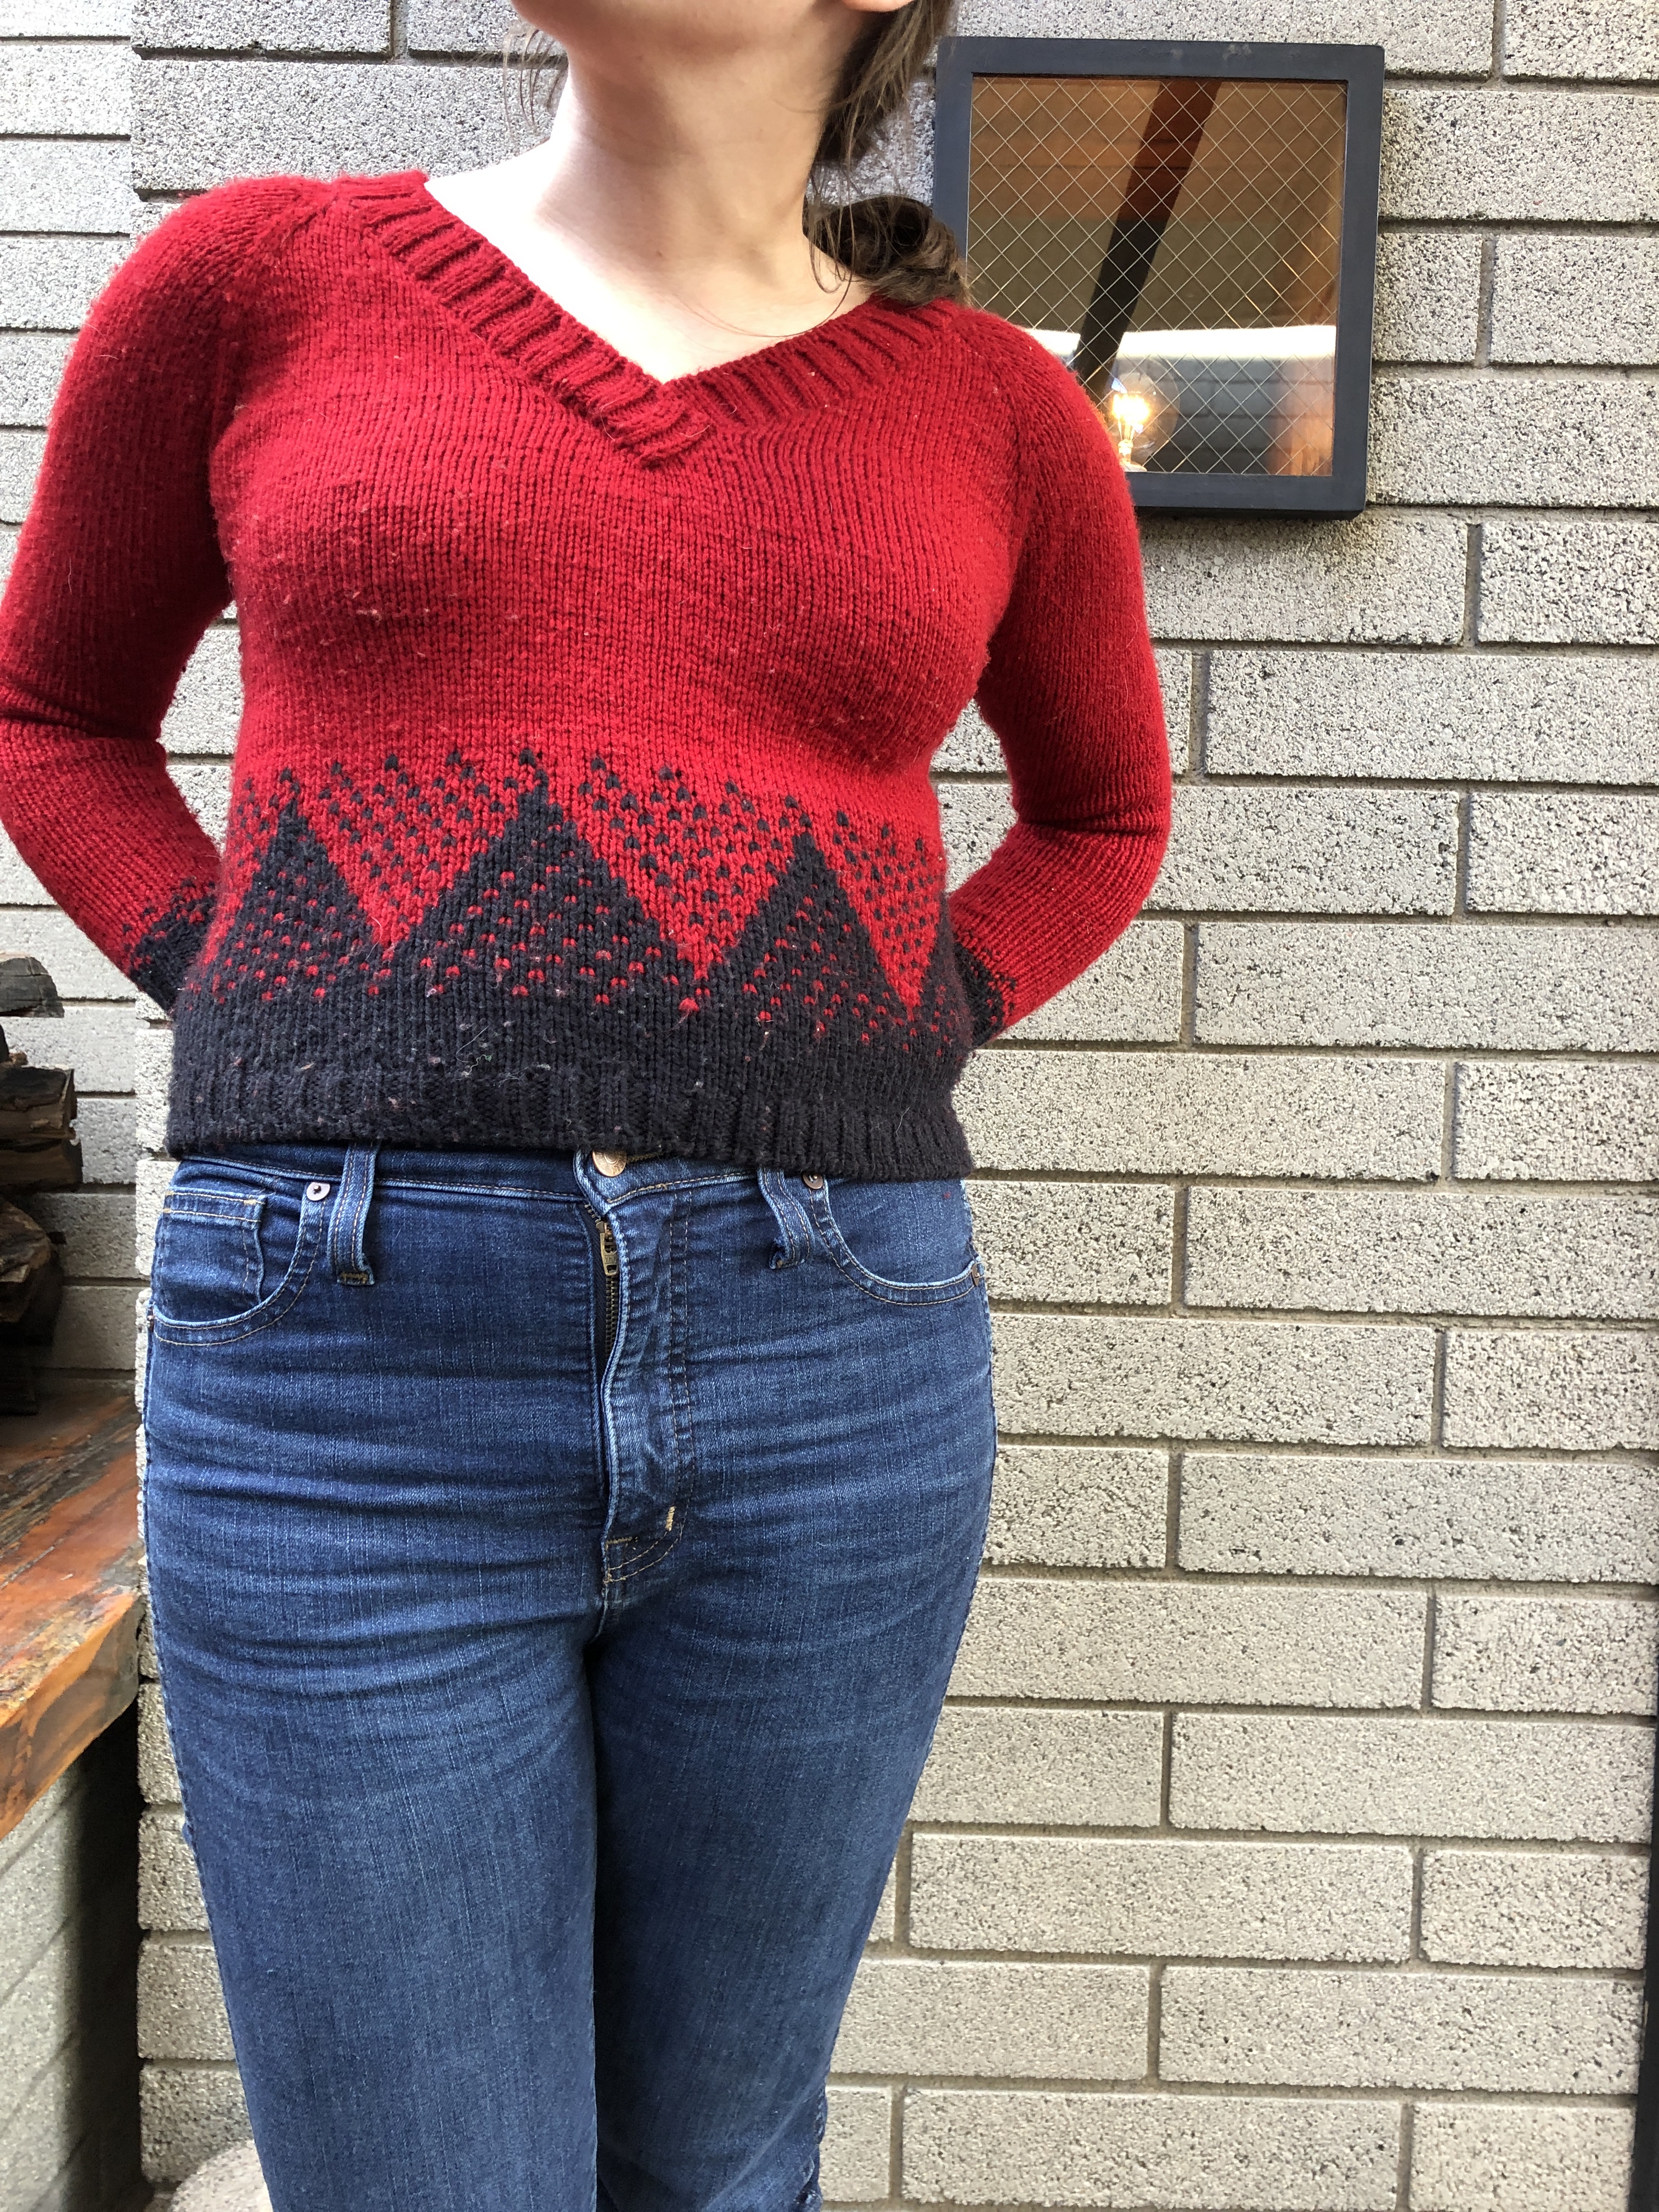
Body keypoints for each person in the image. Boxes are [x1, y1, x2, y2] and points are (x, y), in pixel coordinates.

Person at [0, 1, 1170, 2205]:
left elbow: (1104, 813)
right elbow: (52, 705)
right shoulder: (257, 279)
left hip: (838, 1361)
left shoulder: (998, 410)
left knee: (719, 2167)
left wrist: (919, 1017)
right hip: (337, 1365)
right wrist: (232, 975)